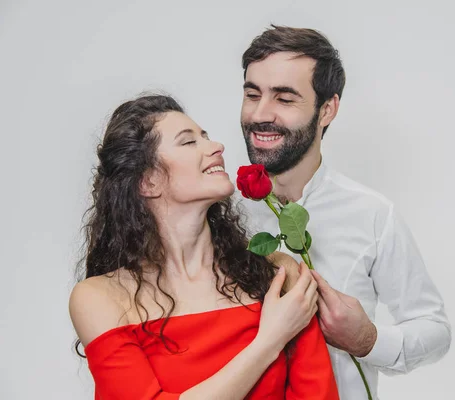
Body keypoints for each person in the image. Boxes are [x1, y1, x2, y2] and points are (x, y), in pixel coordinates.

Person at [68, 94, 339, 399]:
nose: (216, 147)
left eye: (205, 136)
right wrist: (270, 339)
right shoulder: (100, 299)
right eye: (188, 142)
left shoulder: (276, 274)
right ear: (148, 182)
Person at [235, 25, 452, 399]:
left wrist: (368, 339)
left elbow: (435, 330)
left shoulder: (372, 214)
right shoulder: (217, 215)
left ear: (327, 110)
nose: (260, 113)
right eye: (252, 94)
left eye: (284, 99)